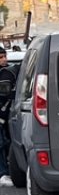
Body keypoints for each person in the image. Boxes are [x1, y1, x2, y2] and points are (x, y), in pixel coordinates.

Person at [0, 47, 16, 187]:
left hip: (9, 115)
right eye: (1, 57)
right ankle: (3, 174)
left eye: (5, 56)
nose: (5, 59)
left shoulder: (10, 72)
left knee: (8, 143)